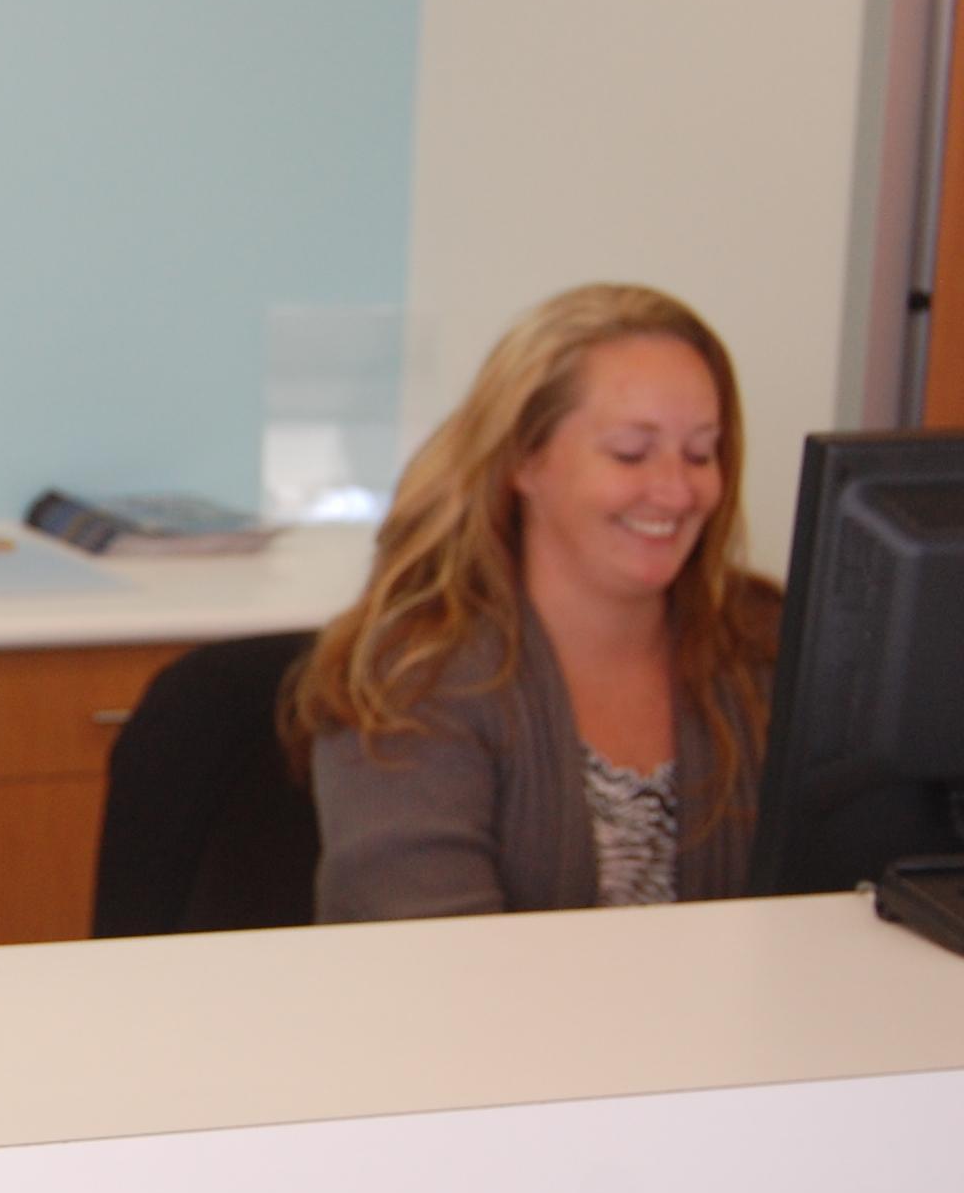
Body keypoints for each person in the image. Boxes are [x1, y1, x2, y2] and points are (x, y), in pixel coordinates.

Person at [288, 282, 780, 922]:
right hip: (489, 1022)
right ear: (524, 460)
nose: (676, 491)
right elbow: (423, 962)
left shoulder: (766, 644)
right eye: (631, 453)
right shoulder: (419, 673)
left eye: (700, 453)